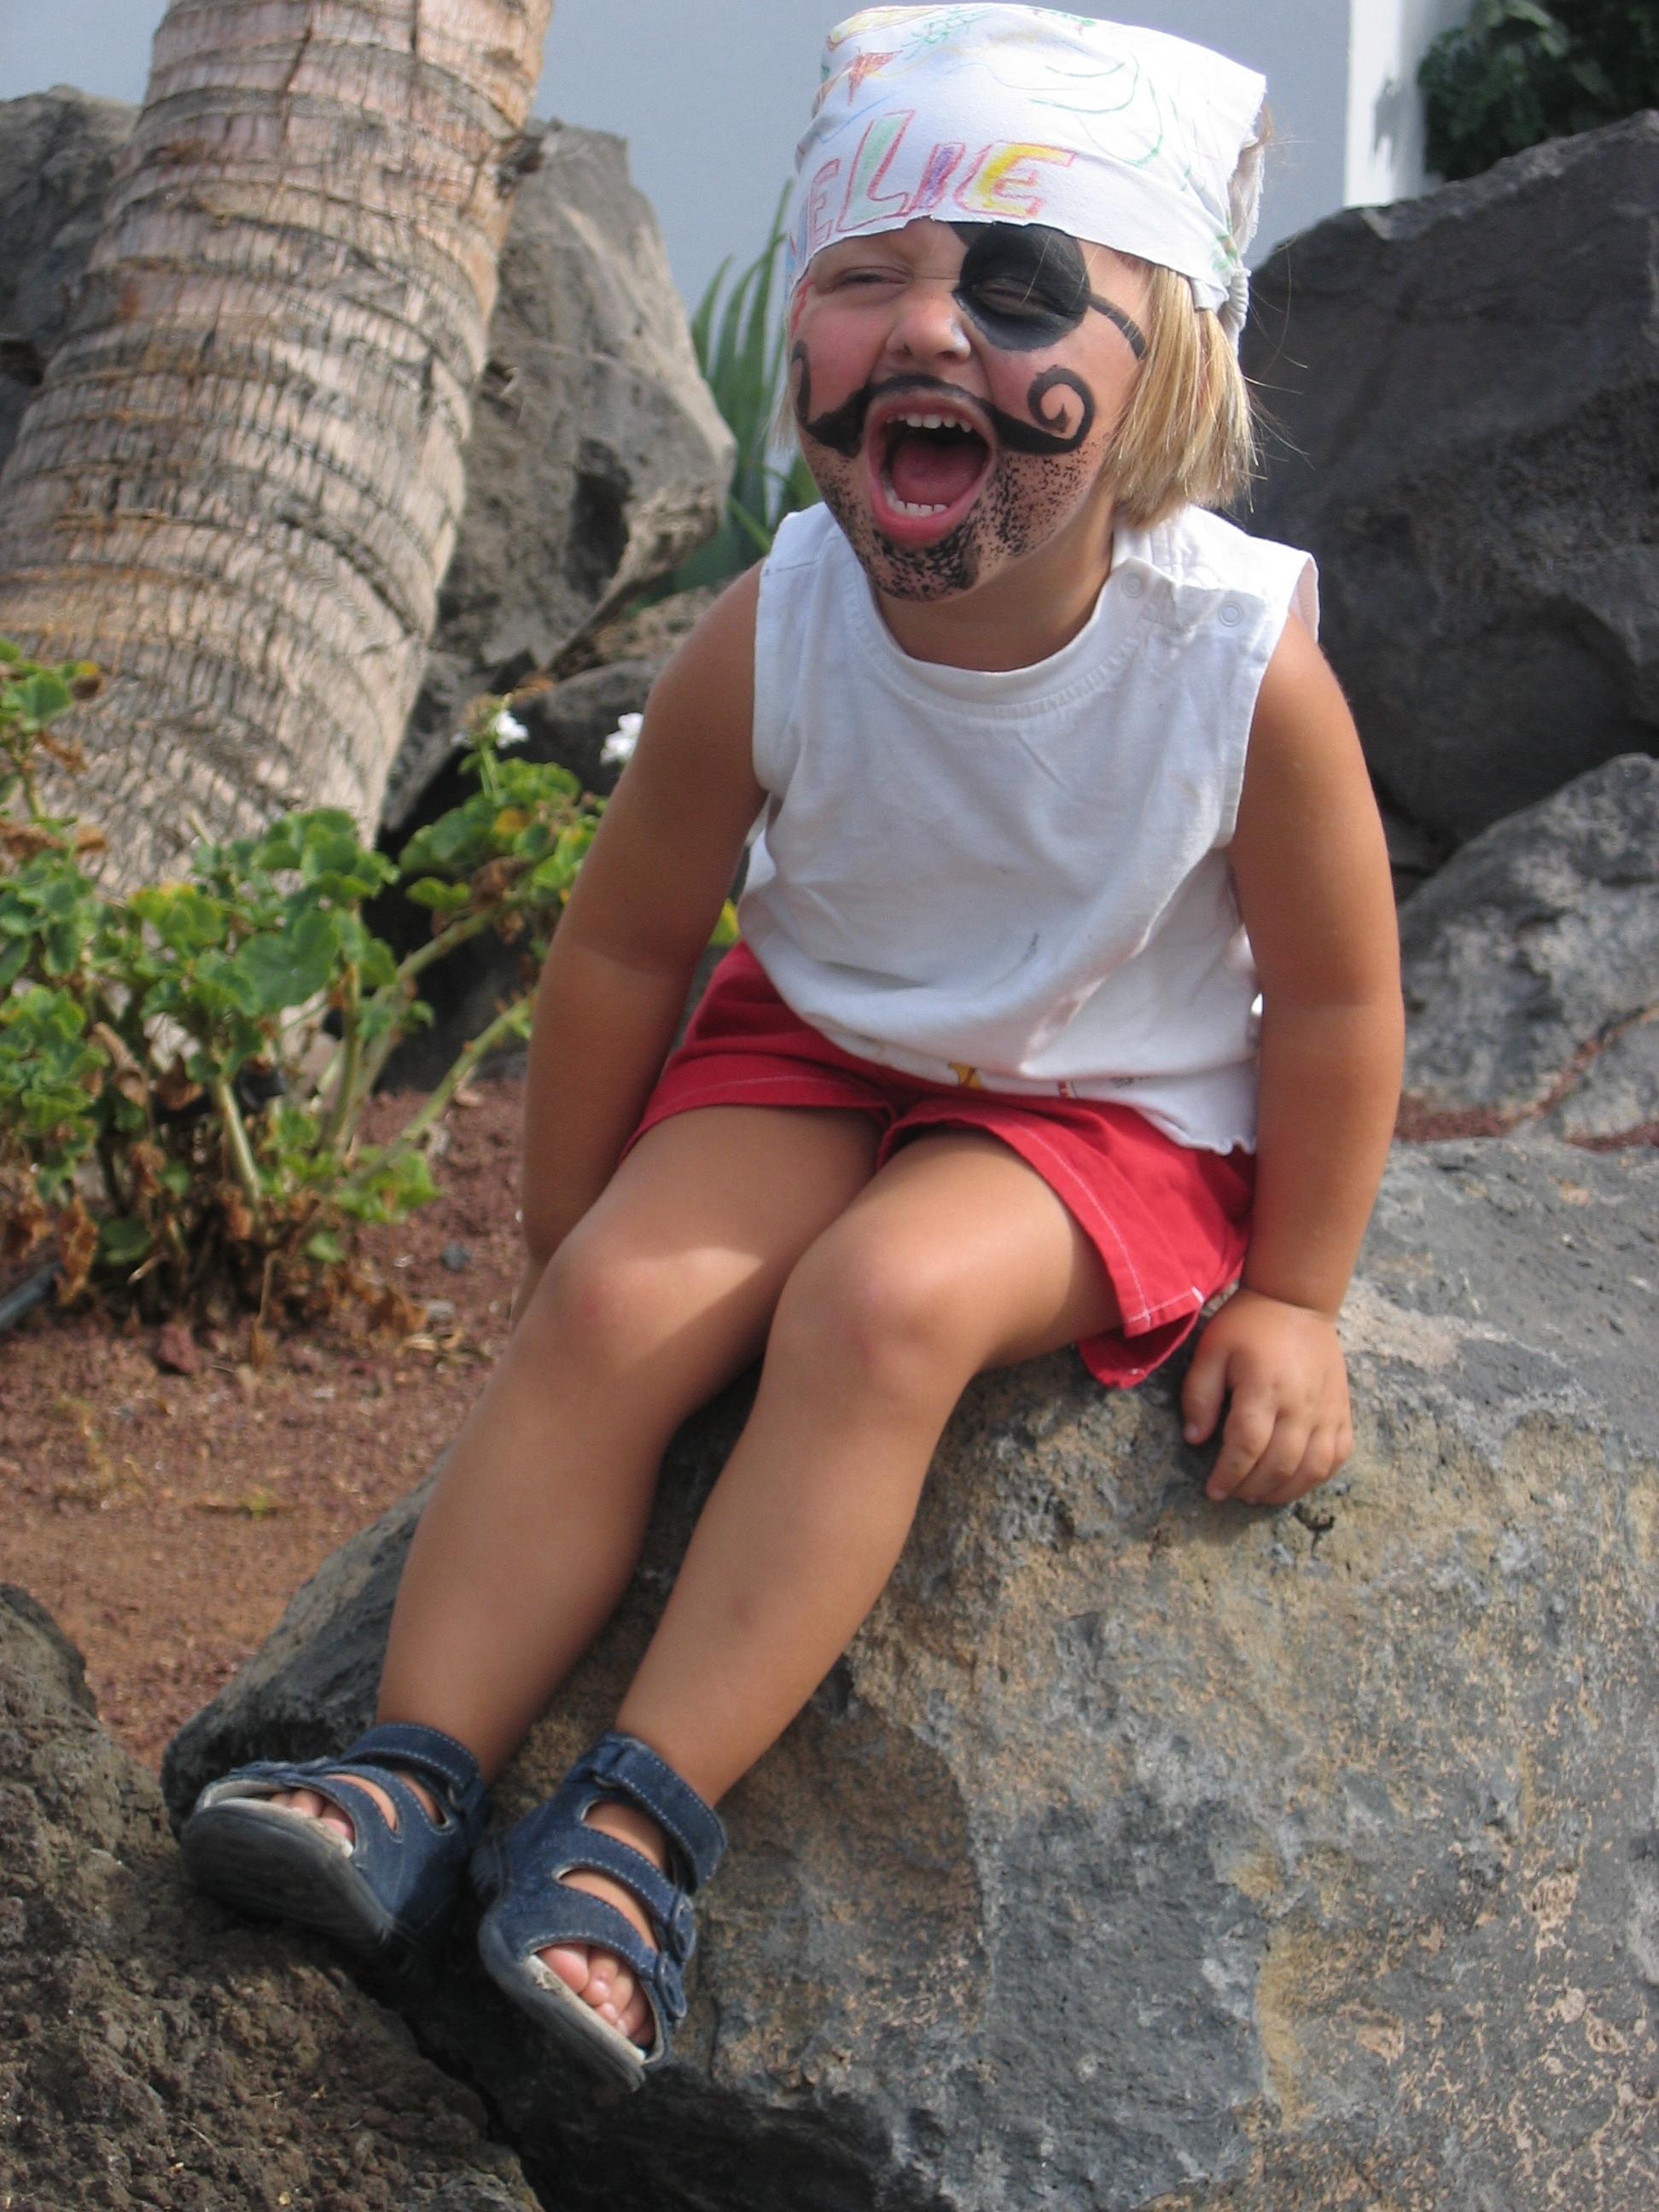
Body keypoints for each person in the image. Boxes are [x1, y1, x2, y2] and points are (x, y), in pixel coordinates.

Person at [182, 4, 1404, 2093]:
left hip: (1107, 1107)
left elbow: (1345, 997)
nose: (928, 326)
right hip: (822, 1045)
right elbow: (629, 940)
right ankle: (409, 1771)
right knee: (622, 1305)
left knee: (883, 1307)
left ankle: (637, 1827)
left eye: (1019, 286)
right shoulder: (784, 620)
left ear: (1169, 372)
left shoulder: (1234, 666)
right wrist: (576, 1237)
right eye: (866, 276)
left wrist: (1297, 1292)